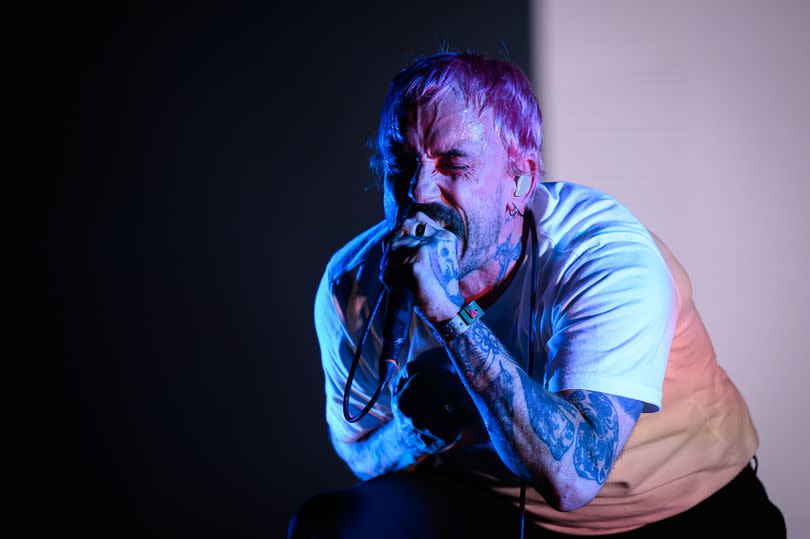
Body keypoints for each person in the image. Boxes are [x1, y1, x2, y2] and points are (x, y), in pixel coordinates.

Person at [289, 52, 786, 538]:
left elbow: (575, 479)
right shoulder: (352, 285)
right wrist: (412, 430)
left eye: (454, 165)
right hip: (497, 509)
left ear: (520, 181)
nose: (419, 192)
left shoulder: (601, 254)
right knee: (331, 524)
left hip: (681, 510)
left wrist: (448, 313)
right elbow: (357, 449)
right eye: (402, 163)